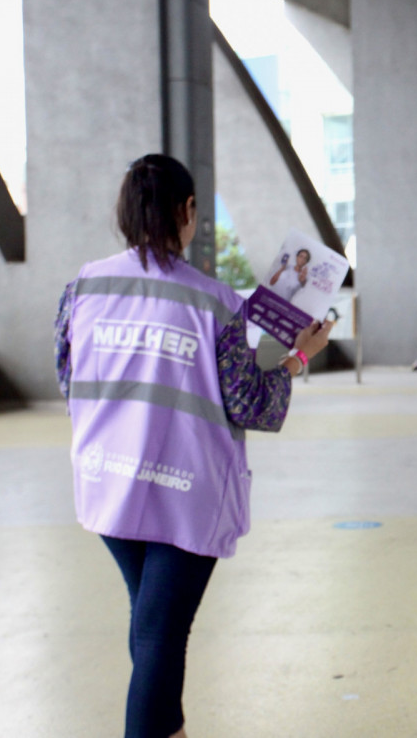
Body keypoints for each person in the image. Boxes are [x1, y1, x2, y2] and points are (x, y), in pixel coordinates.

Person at [53, 154, 333, 738]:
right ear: (187, 212)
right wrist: (299, 356)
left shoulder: (84, 286)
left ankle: (171, 729)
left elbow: (66, 375)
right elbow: (250, 403)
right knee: (159, 633)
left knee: (151, 622)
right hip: (184, 491)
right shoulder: (215, 304)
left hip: (110, 483)